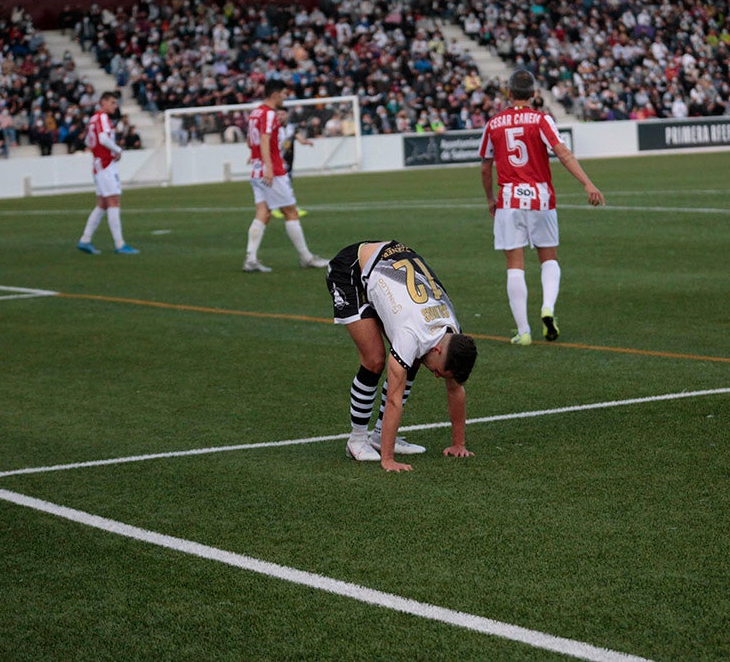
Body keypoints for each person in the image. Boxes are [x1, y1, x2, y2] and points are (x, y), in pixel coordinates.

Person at [326, 240, 478, 472]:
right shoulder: (411, 335)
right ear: (438, 349)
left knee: (414, 358)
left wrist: (459, 444)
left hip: (389, 266)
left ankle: (379, 437)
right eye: (440, 371)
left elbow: (455, 388)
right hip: (352, 269)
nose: (437, 376)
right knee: (374, 360)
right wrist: (388, 460)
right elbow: (394, 400)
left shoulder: (452, 331)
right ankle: (356, 440)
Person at [479, 69, 605, 345]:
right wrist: (587, 183)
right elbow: (563, 153)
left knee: (515, 266)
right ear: (534, 93)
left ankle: (523, 331)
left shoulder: (494, 124)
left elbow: (486, 167)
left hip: (510, 198)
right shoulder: (541, 119)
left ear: (509, 93)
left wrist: (490, 198)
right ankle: (548, 307)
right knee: (549, 258)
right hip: (541, 198)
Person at [243, 79, 328, 273]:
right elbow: (264, 139)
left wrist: (256, 157)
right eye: (283, 94)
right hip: (271, 171)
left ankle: (250, 259)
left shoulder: (255, 113)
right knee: (291, 212)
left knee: (263, 214)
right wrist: (270, 167)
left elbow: (251, 140)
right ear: (275, 94)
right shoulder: (270, 113)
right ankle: (306, 257)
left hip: (256, 170)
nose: (285, 97)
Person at [77, 92, 138, 255]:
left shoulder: (93, 119)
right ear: (102, 102)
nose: (114, 105)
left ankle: (85, 239)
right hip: (105, 164)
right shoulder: (103, 117)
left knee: (103, 203)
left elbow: (88, 141)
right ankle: (120, 244)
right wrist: (117, 150)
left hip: (98, 163)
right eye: (112, 102)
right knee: (114, 201)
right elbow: (103, 138)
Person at [271, 107, 313, 219]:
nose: (280, 117)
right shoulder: (273, 129)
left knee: (284, 184)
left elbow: (300, 140)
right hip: (278, 161)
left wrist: (307, 142)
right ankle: (291, 208)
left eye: (282, 114)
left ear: (287, 115)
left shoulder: (292, 128)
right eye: (278, 115)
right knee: (286, 184)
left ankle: (277, 207)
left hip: (289, 161)